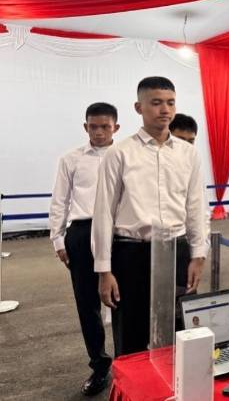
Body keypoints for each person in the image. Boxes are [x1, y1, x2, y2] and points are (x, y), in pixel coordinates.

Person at [93, 76, 208, 357]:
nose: (165, 110)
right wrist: (104, 270)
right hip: (131, 253)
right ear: (139, 107)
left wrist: (198, 254)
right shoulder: (119, 153)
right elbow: (104, 213)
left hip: (176, 250)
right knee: (130, 337)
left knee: (178, 334)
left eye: (170, 103)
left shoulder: (188, 154)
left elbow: (196, 207)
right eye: (156, 103)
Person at [48, 102, 120, 396]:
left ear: (116, 127)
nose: (99, 132)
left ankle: (128, 361)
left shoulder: (126, 155)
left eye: (105, 126)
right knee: (87, 304)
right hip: (82, 231)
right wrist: (58, 239)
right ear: (85, 127)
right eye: (93, 127)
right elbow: (60, 200)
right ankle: (100, 366)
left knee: (125, 299)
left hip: (119, 232)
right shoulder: (71, 159)